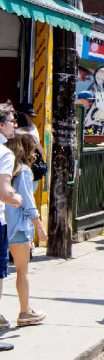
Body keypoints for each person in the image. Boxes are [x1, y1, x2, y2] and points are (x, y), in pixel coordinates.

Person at [5, 134, 47, 326]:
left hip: (3, 223)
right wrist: (39, 227)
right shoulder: (24, 172)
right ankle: (25, 311)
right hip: (19, 227)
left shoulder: (7, 170)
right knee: (23, 270)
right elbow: (28, 203)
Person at [0, 103, 22, 341]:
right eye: (11, 120)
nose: (14, 124)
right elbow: (4, 193)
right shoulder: (5, 153)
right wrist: (17, 199)